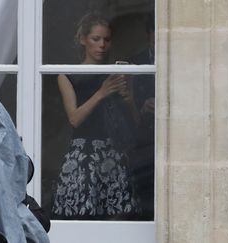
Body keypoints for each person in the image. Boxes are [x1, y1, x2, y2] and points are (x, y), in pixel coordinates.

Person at [51, 13, 142, 220]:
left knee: (118, 217)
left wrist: (129, 102)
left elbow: (136, 125)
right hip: (83, 155)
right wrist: (101, 93)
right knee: (80, 214)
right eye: (96, 39)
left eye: (107, 40)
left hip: (114, 154)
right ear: (83, 40)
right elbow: (74, 119)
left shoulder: (116, 74)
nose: (102, 45)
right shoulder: (67, 74)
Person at [128, 12, 156, 220]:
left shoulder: (182, 60)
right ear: (149, 35)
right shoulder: (135, 62)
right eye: (156, 36)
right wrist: (143, 108)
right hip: (142, 140)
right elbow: (125, 103)